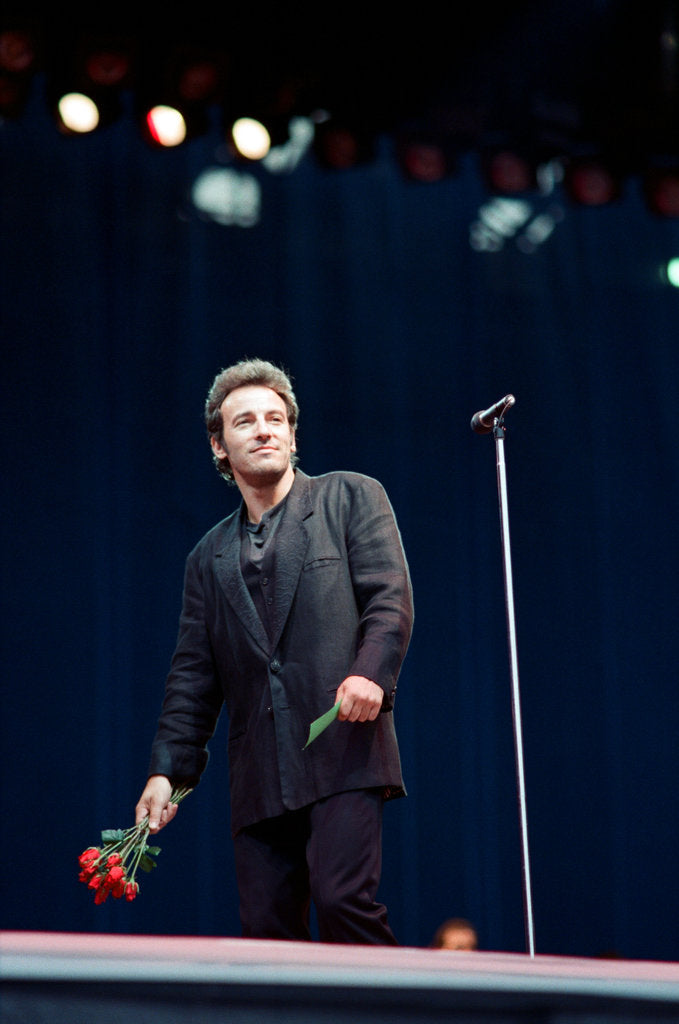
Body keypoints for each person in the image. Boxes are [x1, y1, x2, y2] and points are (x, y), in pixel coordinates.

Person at [135, 357, 413, 944]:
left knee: (343, 901)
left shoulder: (349, 497)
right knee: (267, 936)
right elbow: (192, 676)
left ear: (291, 433)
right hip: (260, 769)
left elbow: (390, 602)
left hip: (342, 746)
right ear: (218, 445)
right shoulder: (206, 557)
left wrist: (370, 674)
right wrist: (168, 771)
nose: (264, 429)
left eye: (275, 418)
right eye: (245, 422)